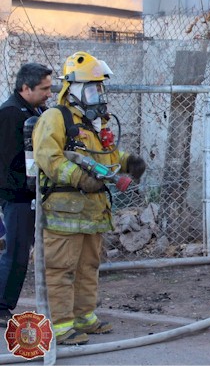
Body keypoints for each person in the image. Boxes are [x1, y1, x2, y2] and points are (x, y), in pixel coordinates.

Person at [33, 52, 146, 345]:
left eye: (100, 87)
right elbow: (50, 159)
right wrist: (81, 178)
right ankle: (61, 327)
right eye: (92, 87)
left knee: (88, 267)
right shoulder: (54, 118)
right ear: (72, 88)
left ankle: (85, 318)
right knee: (61, 269)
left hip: (93, 212)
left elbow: (104, 157)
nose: (99, 93)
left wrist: (127, 161)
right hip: (64, 211)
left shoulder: (96, 122)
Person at [0, 63, 54, 326]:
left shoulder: (37, 110)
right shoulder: (10, 113)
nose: (49, 93)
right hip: (18, 196)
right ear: (25, 87)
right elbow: (9, 162)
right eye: (44, 88)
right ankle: (1, 306)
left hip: (33, 193)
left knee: (28, 250)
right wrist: (26, 188)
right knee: (17, 252)